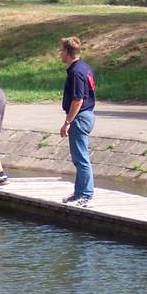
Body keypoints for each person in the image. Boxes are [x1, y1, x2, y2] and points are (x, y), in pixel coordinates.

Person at [59, 36, 96, 206]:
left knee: (81, 159)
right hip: (86, 115)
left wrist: (67, 122)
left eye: (61, 51)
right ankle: (78, 193)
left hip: (80, 117)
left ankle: (86, 195)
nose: (60, 54)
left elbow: (78, 100)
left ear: (67, 52)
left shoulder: (76, 72)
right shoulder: (84, 67)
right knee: (78, 158)